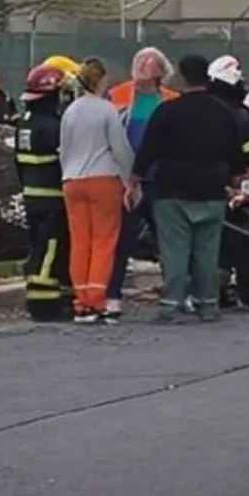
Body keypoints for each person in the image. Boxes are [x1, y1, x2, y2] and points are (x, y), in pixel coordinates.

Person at [127, 54, 249, 323]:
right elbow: (236, 152)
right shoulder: (223, 112)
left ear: (182, 78)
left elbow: (150, 149)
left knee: (175, 251)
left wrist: (135, 177)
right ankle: (208, 305)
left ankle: (171, 305)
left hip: (172, 191)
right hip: (211, 191)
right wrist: (235, 178)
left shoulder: (168, 111)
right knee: (207, 253)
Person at [59, 57, 135, 325]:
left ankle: (80, 302)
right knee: (104, 241)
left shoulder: (70, 112)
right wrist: (130, 180)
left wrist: (66, 175)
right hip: (103, 179)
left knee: (80, 241)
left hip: (72, 180)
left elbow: (64, 149)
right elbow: (120, 148)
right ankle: (98, 300)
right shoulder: (107, 110)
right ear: (101, 80)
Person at [106, 47, 180, 320]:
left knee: (169, 240)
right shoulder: (117, 95)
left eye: (147, 62)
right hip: (125, 180)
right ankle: (112, 294)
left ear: (161, 71)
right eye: (137, 60)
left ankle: (176, 294)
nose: (139, 64)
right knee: (122, 239)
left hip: (160, 180)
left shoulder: (172, 101)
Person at [206, 55, 249, 307]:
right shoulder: (240, 116)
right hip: (226, 187)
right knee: (231, 239)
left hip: (187, 184)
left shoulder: (198, 108)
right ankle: (220, 289)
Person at [14, 64, 71, 322]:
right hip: (52, 196)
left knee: (39, 244)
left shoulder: (24, 122)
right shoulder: (53, 126)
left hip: (31, 194)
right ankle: (43, 301)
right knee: (51, 246)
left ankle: (55, 293)